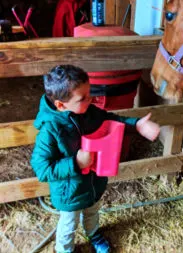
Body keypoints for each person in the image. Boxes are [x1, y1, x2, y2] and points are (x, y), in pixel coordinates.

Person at [30, 65, 160, 253]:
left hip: (94, 182)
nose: (91, 100)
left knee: (92, 211)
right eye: (83, 98)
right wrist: (75, 163)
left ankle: (93, 233)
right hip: (70, 193)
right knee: (68, 224)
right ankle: (64, 249)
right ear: (60, 105)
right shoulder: (50, 130)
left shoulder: (89, 112)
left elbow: (111, 121)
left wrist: (137, 125)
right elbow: (42, 169)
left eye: (89, 93)